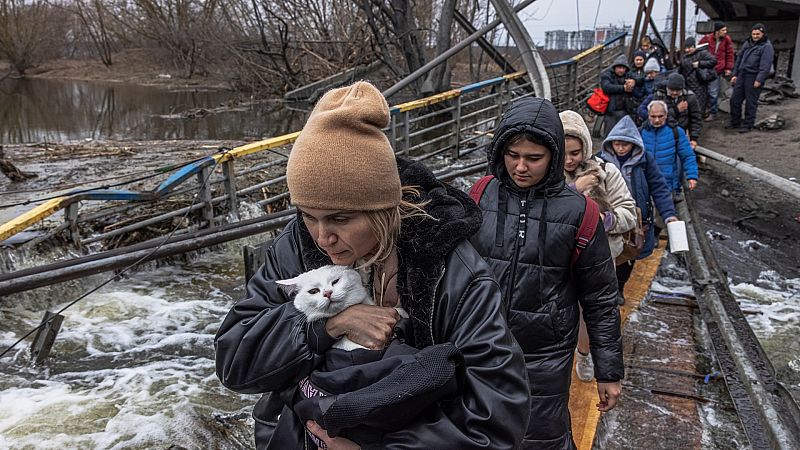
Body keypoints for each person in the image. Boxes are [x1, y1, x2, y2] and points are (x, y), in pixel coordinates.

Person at [214, 81, 530, 450]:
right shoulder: (295, 245)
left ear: (382, 210)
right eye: (308, 215)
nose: (322, 237)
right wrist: (326, 326)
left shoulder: (453, 269)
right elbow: (235, 363)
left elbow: (498, 417)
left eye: (340, 219)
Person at [469, 97, 624, 449]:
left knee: (540, 437)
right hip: (480, 344)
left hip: (545, 354)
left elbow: (600, 298)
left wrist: (609, 371)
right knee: (478, 434)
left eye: (533, 158)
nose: (520, 167)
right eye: (512, 155)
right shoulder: (481, 194)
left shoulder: (580, 212)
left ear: (553, 155)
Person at [560, 110, 637, 382]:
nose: (569, 160)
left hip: (599, 256)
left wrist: (606, 221)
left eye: (575, 153)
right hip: (558, 257)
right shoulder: (546, 175)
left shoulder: (606, 172)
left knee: (589, 311)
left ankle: (583, 353)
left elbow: (629, 211)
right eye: (563, 153)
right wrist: (576, 189)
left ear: (586, 148)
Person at [597, 113, 678, 306]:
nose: (621, 148)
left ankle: (619, 288)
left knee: (629, 253)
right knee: (607, 253)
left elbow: (658, 187)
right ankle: (605, 289)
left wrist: (668, 214)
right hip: (609, 215)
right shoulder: (600, 161)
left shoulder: (644, 161)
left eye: (625, 144)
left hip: (636, 217)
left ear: (633, 144)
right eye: (617, 144)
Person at [640, 100, 699, 193]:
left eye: (660, 116)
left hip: (668, 184)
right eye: (653, 116)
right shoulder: (640, 132)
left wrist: (692, 176)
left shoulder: (676, 132)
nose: (657, 120)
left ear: (666, 115)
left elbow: (687, 156)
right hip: (645, 183)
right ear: (648, 115)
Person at [729, 23, 775, 133]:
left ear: (763, 34)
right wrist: (735, 74)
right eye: (753, 34)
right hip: (742, 74)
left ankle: (748, 124)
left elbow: (765, 66)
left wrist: (759, 79)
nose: (755, 36)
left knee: (751, 102)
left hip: (753, 76)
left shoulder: (767, 47)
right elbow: (739, 59)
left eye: (757, 34)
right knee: (735, 100)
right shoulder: (747, 43)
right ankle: (735, 121)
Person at [637, 73, 703, 149]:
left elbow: (696, 117)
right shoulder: (659, 95)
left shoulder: (690, 97)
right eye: (672, 90)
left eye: (677, 90)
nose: (674, 93)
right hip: (662, 133)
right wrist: (676, 110)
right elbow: (658, 116)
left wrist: (693, 138)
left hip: (681, 133)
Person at [698, 21, 735, 121]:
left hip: (717, 70)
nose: (725, 32)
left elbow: (730, 54)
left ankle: (713, 112)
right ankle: (702, 111)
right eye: (723, 30)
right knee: (703, 90)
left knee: (713, 92)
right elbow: (699, 50)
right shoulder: (706, 39)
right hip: (705, 68)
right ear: (717, 31)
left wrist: (728, 68)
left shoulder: (727, 40)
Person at [678, 37, 718, 120]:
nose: (687, 50)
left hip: (700, 85)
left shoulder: (702, 53)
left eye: (689, 48)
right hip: (688, 85)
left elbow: (713, 61)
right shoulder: (684, 57)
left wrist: (700, 64)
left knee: (698, 106)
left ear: (694, 46)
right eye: (686, 48)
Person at [600, 55, 639, 137]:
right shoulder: (607, 75)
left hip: (625, 110)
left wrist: (634, 81)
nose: (621, 70)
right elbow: (606, 87)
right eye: (619, 68)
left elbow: (640, 78)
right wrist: (623, 88)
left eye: (623, 68)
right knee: (609, 135)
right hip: (610, 111)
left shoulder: (629, 75)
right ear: (615, 68)